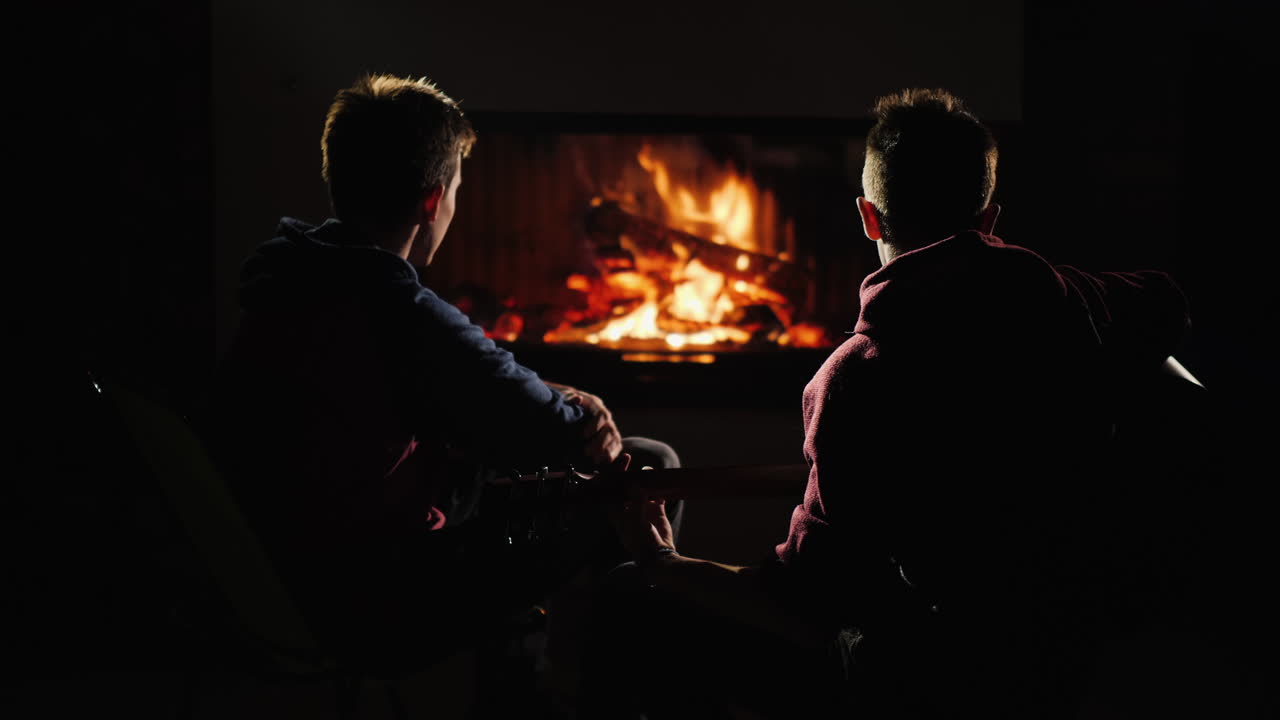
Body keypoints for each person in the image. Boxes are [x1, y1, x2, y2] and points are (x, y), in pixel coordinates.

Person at [597, 89, 1193, 718]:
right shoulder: (1078, 301)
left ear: (868, 217)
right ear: (989, 219)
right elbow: (1165, 302)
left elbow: (803, 610)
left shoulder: (856, 379)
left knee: (628, 597)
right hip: (1071, 654)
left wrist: (660, 558)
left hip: (931, 678)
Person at [202, 74, 677, 668]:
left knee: (491, 465)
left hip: (274, 570)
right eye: (454, 190)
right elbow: (547, 429)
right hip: (371, 591)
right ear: (432, 200)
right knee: (650, 465)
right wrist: (582, 408)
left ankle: (519, 691)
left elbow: (476, 385)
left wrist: (551, 398)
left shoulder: (299, 277)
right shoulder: (393, 306)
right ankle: (610, 701)